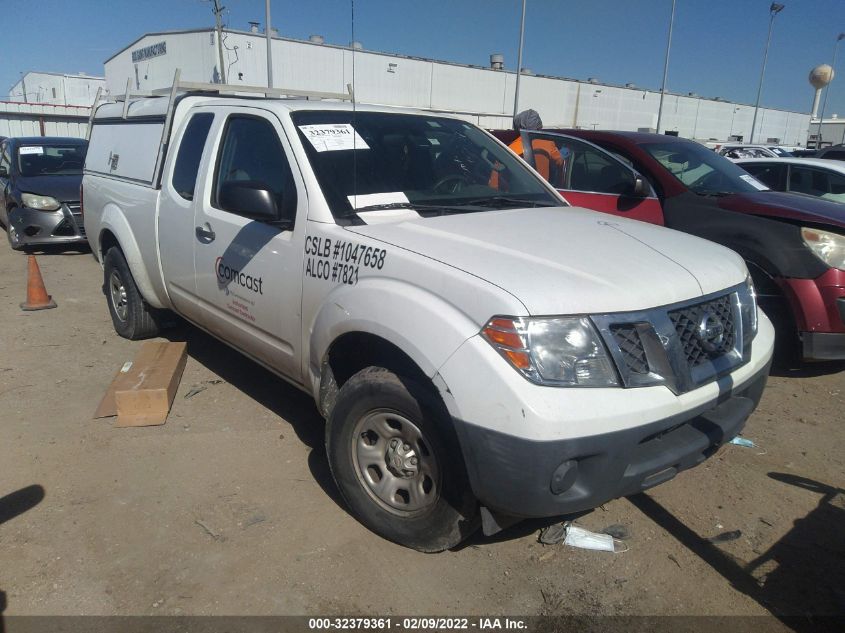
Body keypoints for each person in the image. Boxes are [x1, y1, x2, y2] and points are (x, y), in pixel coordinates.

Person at [490, 109, 564, 189]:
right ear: (539, 126)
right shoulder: (548, 143)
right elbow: (561, 164)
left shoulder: (510, 149)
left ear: (518, 128)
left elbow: (494, 183)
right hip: (545, 194)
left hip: (518, 196)